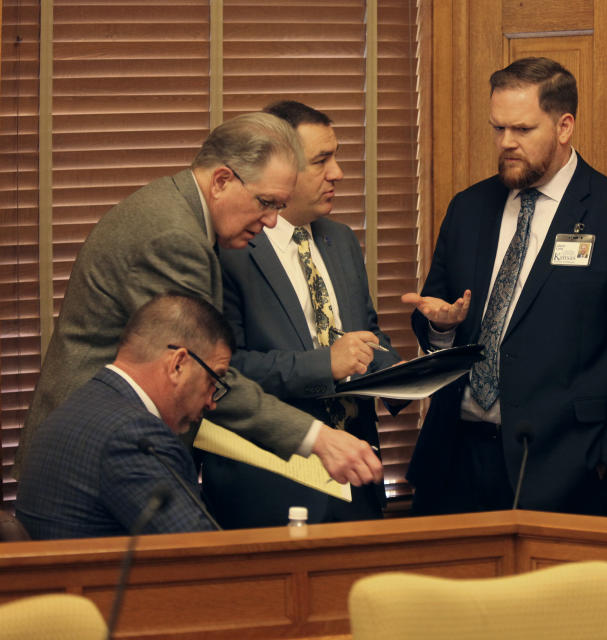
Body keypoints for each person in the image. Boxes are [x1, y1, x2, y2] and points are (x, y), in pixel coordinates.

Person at [14, 113, 382, 488]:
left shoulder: (176, 211)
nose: (272, 222)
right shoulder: (175, 239)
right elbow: (199, 372)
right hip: (94, 458)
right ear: (222, 180)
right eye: (267, 203)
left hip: (104, 450)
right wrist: (316, 438)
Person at [401, 57, 607, 516]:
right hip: (455, 458)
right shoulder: (468, 208)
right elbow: (435, 310)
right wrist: (443, 329)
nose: (506, 143)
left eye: (523, 130)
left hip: (564, 465)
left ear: (564, 125)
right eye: (497, 129)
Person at [205, 101, 404, 527]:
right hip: (273, 486)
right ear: (282, 170)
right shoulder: (230, 250)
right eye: (321, 160)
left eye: (337, 157)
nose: (337, 173)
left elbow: (367, 335)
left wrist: (407, 373)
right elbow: (221, 372)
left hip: (357, 480)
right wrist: (324, 365)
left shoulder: (342, 240)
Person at [16, 294, 230, 539]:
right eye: (213, 380)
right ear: (178, 364)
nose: (212, 402)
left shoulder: (78, 407)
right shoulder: (132, 437)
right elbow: (201, 552)